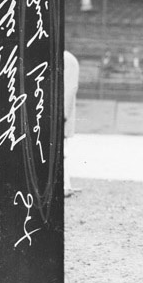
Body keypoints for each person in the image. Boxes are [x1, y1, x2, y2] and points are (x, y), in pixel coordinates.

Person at [64, 50, 80, 197]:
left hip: (60, 114)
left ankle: (64, 186)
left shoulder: (67, 59)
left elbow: (70, 89)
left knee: (61, 152)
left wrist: (64, 114)